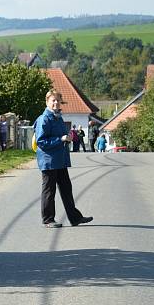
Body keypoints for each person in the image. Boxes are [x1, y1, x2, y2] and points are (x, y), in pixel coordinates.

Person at [34, 89, 93, 229]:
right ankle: (48, 219)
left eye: (58, 101)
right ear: (47, 102)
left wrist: (68, 137)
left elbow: (62, 136)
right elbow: (41, 141)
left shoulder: (58, 117)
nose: (56, 103)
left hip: (60, 159)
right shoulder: (44, 119)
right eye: (53, 100)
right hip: (49, 161)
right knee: (49, 190)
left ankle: (75, 218)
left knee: (66, 188)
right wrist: (60, 139)